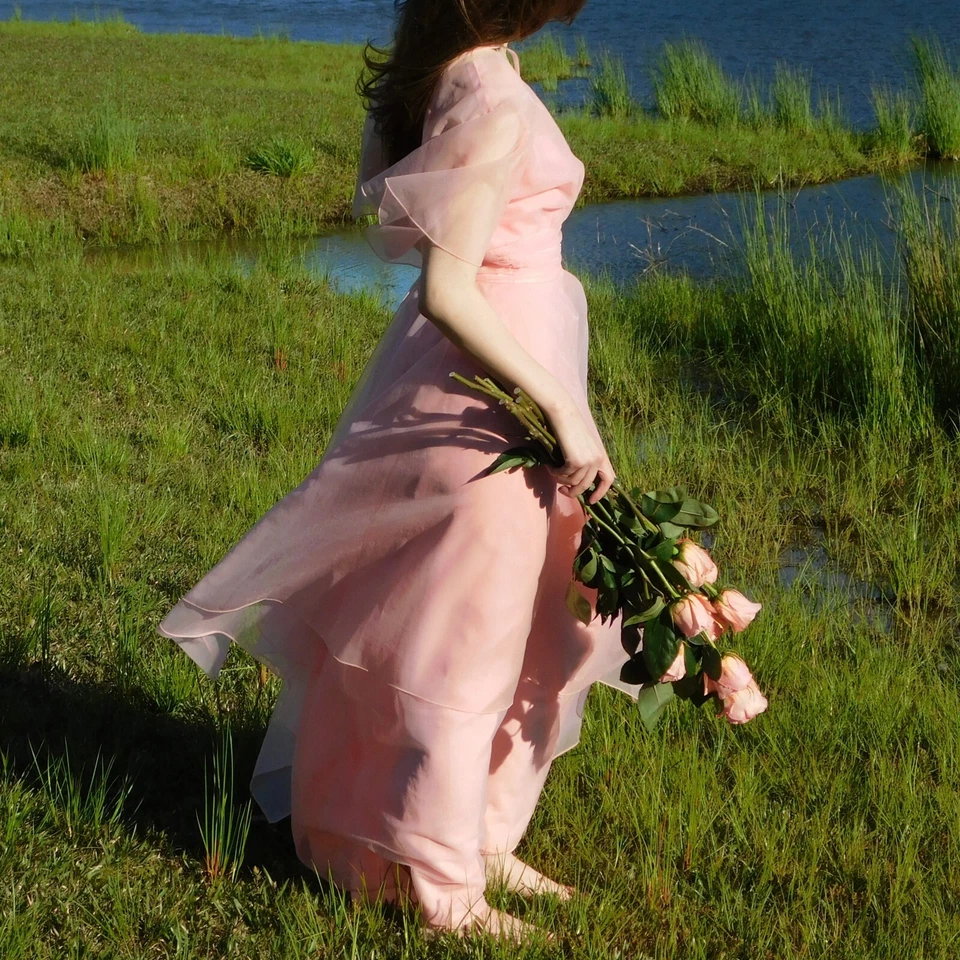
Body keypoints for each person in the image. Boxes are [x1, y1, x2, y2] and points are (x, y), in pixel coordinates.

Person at [157, 0, 633, 941]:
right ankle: (445, 884)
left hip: (477, 377)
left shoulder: (443, 67)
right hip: (496, 395)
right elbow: (446, 287)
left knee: (535, 623)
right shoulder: (489, 93)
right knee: (471, 640)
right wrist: (567, 410)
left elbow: (381, 193)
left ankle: (485, 836)